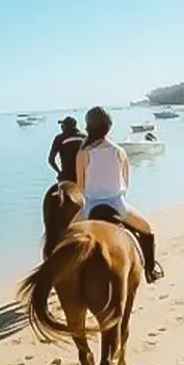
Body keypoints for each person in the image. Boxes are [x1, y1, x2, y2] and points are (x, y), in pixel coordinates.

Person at [77, 106, 164, 283]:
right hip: (118, 204)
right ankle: (150, 270)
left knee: (63, 238)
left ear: (88, 126)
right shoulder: (120, 152)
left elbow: (80, 187)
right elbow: (126, 184)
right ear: (109, 127)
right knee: (147, 230)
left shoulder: (83, 153)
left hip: (90, 206)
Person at [48, 116, 86, 182]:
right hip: (83, 175)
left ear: (65, 127)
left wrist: (59, 173)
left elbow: (51, 160)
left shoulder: (59, 138)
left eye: (63, 125)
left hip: (67, 176)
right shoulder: (85, 137)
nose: (61, 127)